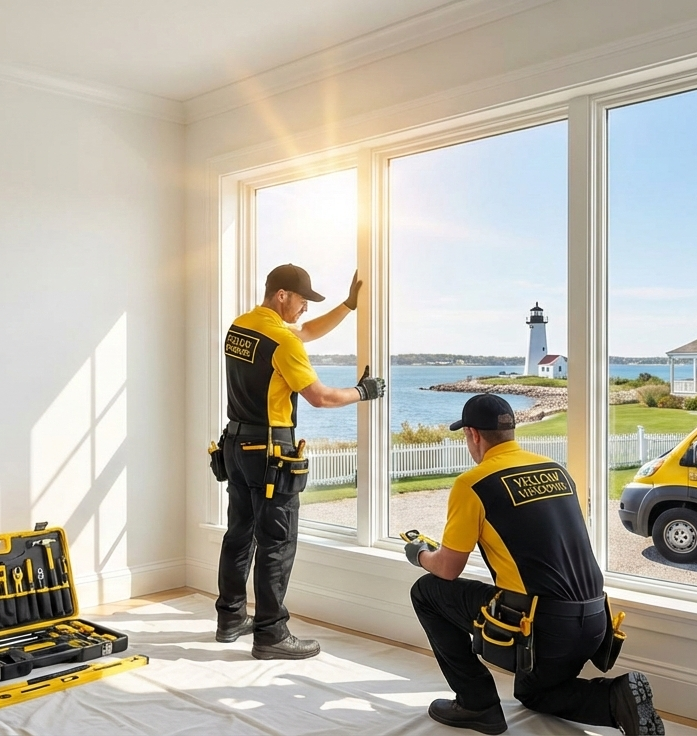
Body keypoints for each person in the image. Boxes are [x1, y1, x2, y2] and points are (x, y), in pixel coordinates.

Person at [403, 394, 664, 735]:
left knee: (426, 591)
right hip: (596, 623)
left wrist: (419, 553)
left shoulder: (473, 483)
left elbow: (449, 569)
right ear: (511, 431)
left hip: (542, 629)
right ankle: (618, 697)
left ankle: (475, 704)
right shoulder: (556, 470)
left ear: (473, 434)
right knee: (534, 693)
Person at [214, 263, 386, 659]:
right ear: (282, 296)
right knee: (277, 541)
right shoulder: (282, 341)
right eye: (303, 301)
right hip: (271, 452)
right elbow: (320, 397)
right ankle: (271, 634)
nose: (305, 309)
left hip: (236, 446)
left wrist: (348, 306)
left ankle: (230, 618)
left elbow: (304, 332)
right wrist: (363, 391)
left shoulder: (241, 327)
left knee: (239, 535)